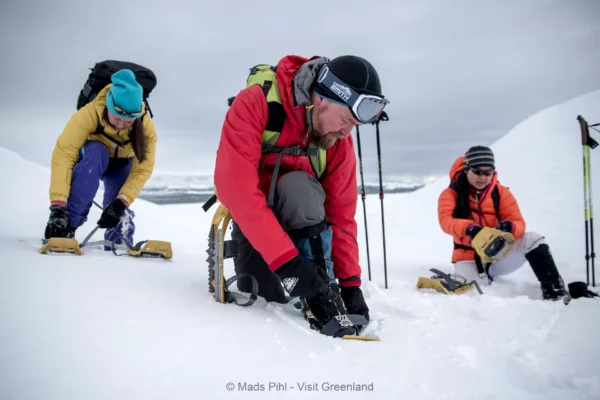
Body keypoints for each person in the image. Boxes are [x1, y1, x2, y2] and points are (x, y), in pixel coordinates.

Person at [214, 55, 389, 336]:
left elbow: (341, 213)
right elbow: (236, 188)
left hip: (307, 220)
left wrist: (350, 284)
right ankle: (304, 281)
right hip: (254, 217)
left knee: (299, 187)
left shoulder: (336, 139)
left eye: (354, 126)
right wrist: (290, 266)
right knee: (263, 298)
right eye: (345, 120)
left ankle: (320, 285)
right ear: (320, 99)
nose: (346, 132)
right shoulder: (255, 103)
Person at [437, 146, 570, 301]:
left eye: (488, 172)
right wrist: (470, 228)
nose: (483, 177)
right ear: (467, 170)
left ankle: (555, 290)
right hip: (468, 258)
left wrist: (510, 227)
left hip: (498, 255)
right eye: (478, 171)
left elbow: (517, 221)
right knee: (474, 293)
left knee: (533, 238)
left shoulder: (500, 192)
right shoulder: (450, 194)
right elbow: (446, 221)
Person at [44, 69, 157, 248]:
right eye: (117, 119)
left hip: (121, 164)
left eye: (128, 122)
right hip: (93, 158)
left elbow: (142, 168)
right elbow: (64, 155)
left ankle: (119, 240)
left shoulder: (145, 127)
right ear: (109, 107)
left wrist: (121, 202)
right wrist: (58, 206)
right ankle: (66, 228)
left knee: (117, 205)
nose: (121, 125)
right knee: (93, 160)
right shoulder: (88, 115)